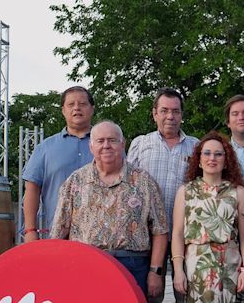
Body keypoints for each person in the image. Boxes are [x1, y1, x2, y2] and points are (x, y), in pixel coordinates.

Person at [50, 121, 169, 300]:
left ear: (123, 144)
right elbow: (60, 230)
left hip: (132, 266)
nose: (106, 145)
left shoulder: (144, 182)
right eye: (100, 141)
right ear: (91, 146)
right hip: (85, 265)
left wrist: (156, 272)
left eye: (112, 140)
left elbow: (160, 231)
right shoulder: (75, 182)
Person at [128, 87, 199, 302]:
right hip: (147, 235)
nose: (170, 116)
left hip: (186, 235)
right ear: (155, 113)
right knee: (151, 293)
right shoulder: (140, 144)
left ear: (181, 115)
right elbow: (128, 188)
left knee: (186, 292)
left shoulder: (196, 147)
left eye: (176, 111)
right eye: (165, 110)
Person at [171, 131, 244, 302]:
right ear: (199, 160)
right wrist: (178, 270)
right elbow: (178, 234)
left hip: (230, 269)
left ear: (226, 161)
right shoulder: (185, 192)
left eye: (218, 154)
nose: (212, 158)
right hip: (195, 269)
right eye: (206, 153)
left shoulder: (238, 192)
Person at [22, 86, 94, 242]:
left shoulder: (107, 144)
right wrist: (29, 230)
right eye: (71, 104)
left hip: (100, 236)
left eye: (82, 104)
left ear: (92, 109)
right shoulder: (46, 148)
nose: (76, 108)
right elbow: (32, 189)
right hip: (58, 235)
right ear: (63, 110)